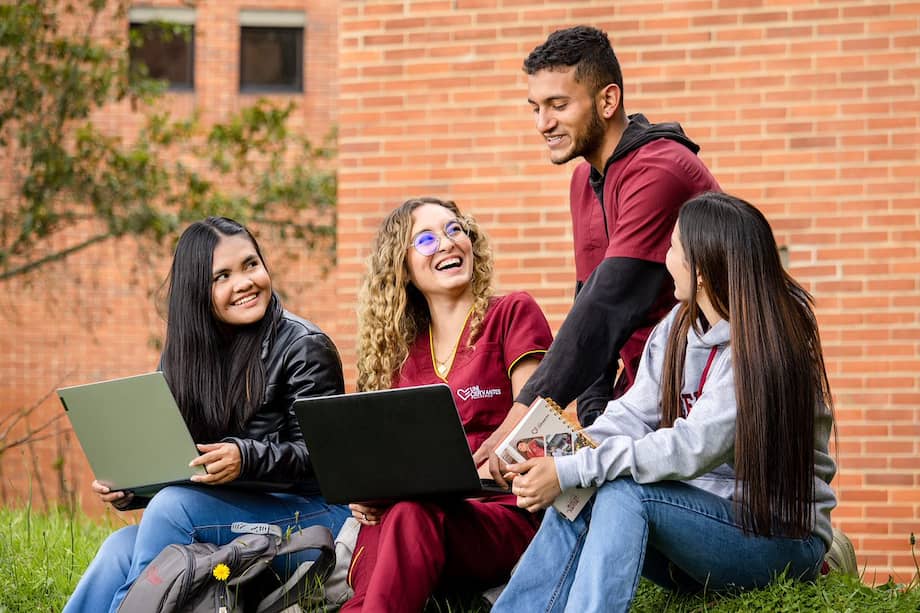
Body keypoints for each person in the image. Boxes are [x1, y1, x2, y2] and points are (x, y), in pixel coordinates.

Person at [492, 192, 838, 612]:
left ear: (702, 271)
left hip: (780, 541)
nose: (665, 257)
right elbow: (632, 415)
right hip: (696, 536)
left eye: (673, 248)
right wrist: (561, 457)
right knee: (585, 488)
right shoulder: (678, 326)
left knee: (622, 490)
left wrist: (571, 469)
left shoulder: (770, 342)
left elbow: (691, 447)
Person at [64, 217, 350, 613]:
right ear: (197, 290)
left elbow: (324, 459)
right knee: (120, 548)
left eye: (251, 265)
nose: (244, 282)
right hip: (227, 511)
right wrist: (132, 487)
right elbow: (181, 458)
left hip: (313, 518)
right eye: (222, 276)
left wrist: (245, 457)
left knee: (172, 508)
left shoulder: (304, 346)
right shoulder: (184, 357)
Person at [483, 25, 722, 450]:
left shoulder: (660, 169)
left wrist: (520, 418)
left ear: (607, 101)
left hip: (704, 403)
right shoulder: (585, 180)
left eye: (558, 105)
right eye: (536, 107)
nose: (543, 123)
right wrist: (593, 417)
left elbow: (609, 303)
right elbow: (588, 301)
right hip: (640, 402)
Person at [341, 197, 553, 612]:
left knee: (411, 511)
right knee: (400, 513)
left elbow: (537, 424)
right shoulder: (397, 354)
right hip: (408, 521)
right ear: (403, 268)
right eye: (425, 239)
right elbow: (388, 459)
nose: (447, 243)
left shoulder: (512, 313)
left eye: (455, 229)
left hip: (499, 513)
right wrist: (367, 490)